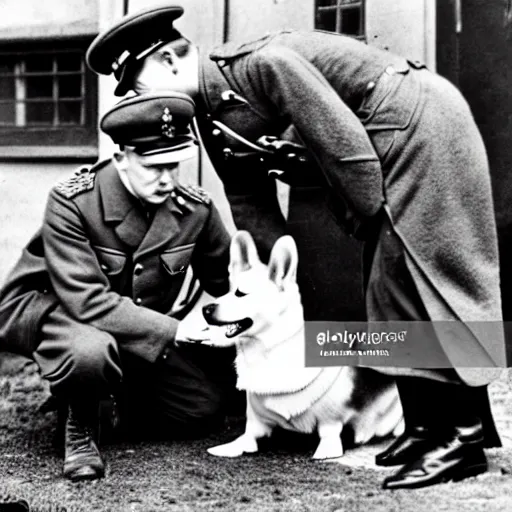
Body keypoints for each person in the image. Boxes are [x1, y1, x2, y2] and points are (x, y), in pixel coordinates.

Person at [85, 4, 507, 489]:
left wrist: (366, 213)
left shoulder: (262, 64)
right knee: (387, 287)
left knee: (425, 274)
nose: (145, 102)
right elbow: (247, 200)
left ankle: (463, 439)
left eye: (140, 87)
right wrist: (279, 280)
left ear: (168, 62)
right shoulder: (209, 113)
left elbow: (342, 142)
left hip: (418, 122)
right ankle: (427, 427)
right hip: (383, 143)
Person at [0, 91, 236, 482]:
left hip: (132, 326)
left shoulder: (195, 209)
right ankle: (80, 423)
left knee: (202, 410)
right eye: (152, 167)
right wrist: (178, 330)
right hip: (58, 308)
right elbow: (87, 300)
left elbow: (229, 279)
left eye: (173, 165)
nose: (167, 179)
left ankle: (108, 397)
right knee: (90, 351)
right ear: (122, 157)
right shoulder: (73, 201)